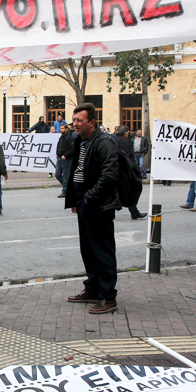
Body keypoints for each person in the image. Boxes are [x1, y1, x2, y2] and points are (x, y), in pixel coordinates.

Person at [65, 103, 121, 315]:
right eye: (74, 120)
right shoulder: (82, 141)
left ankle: (108, 296)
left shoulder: (103, 142)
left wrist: (89, 197)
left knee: (102, 250)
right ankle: (93, 289)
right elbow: (77, 171)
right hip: (84, 202)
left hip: (99, 204)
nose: (75, 124)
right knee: (88, 249)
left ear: (92, 123)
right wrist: (75, 199)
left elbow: (109, 175)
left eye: (80, 120)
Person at [111, 126, 146, 220]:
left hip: (115, 169)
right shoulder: (124, 141)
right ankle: (134, 212)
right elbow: (126, 157)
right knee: (128, 191)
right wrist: (134, 169)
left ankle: (134, 212)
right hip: (124, 171)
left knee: (118, 192)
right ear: (125, 133)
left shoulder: (112, 139)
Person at [55, 123, 75, 199]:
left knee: (66, 175)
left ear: (66, 129)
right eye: (60, 128)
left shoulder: (69, 138)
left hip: (66, 159)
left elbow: (72, 149)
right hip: (60, 158)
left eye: (63, 128)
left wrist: (65, 155)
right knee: (58, 174)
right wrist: (57, 153)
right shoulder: (61, 137)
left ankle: (65, 191)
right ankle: (68, 188)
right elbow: (59, 145)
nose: (61, 130)